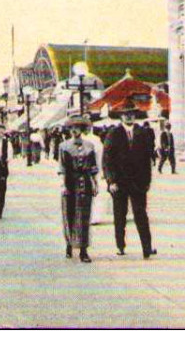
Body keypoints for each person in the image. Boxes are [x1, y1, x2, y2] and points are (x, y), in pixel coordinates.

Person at [104, 111, 158, 259]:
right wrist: (111, 181)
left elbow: (148, 159)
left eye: (131, 113)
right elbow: (107, 159)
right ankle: (120, 246)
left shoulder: (142, 133)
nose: (129, 116)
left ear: (135, 116)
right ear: (121, 116)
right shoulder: (114, 133)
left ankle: (147, 248)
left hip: (138, 182)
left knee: (141, 215)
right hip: (119, 182)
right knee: (120, 216)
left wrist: (147, 182)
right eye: (126, 114)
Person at [59, 116, 99, 263]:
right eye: (72, 128)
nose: (75, 131)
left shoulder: (89, 146)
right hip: (70, 182)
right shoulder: (64, 146)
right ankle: (69, 244)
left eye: (77, 128)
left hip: (85, 183)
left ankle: (83, 250)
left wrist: (95, 183)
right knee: (69, 214)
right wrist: (63, 185)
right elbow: (62, 167)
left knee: (84, 215)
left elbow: (93, 166)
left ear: (82, 130)